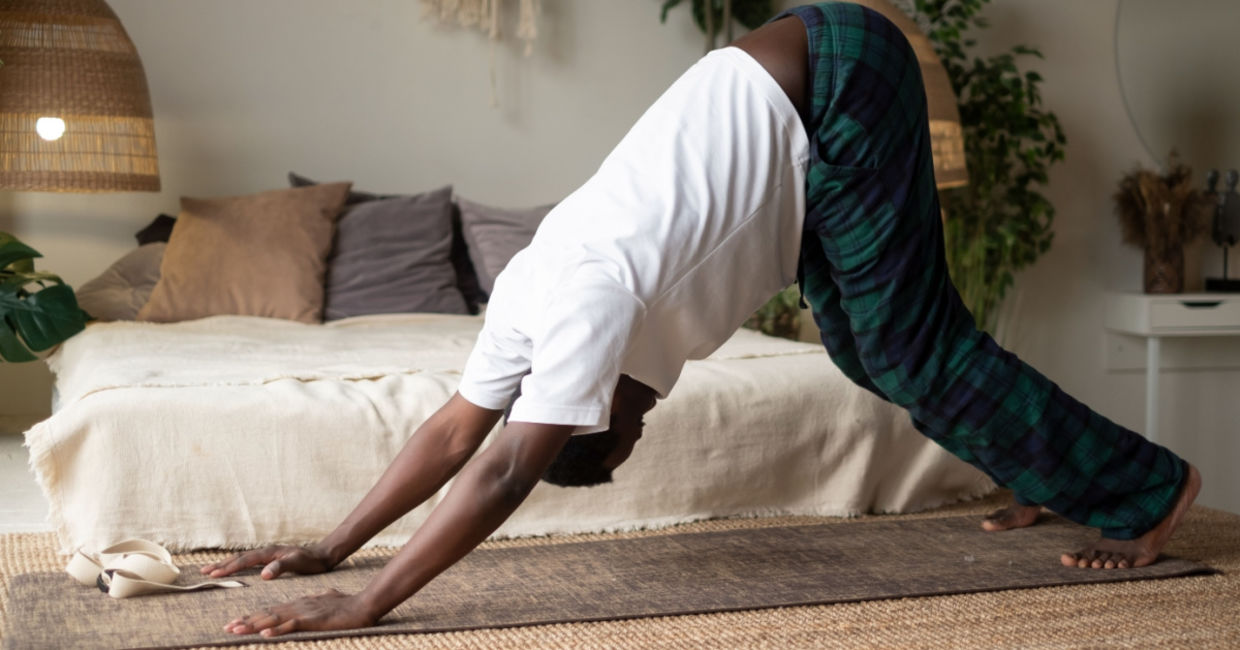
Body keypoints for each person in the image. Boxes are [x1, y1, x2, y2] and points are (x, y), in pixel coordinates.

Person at [207, 2, 1201, 638]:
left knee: (908, 347)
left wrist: (365, 598)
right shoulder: (525, 295)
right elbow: (450, 427)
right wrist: (329, 546)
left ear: (593, 409)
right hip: (805, 111)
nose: (641, 424)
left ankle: (1145, 489)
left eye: (622, 439)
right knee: (866, 349)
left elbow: (500, 461)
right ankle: (1047, 472)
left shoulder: (587, 308)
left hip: (839, 73)